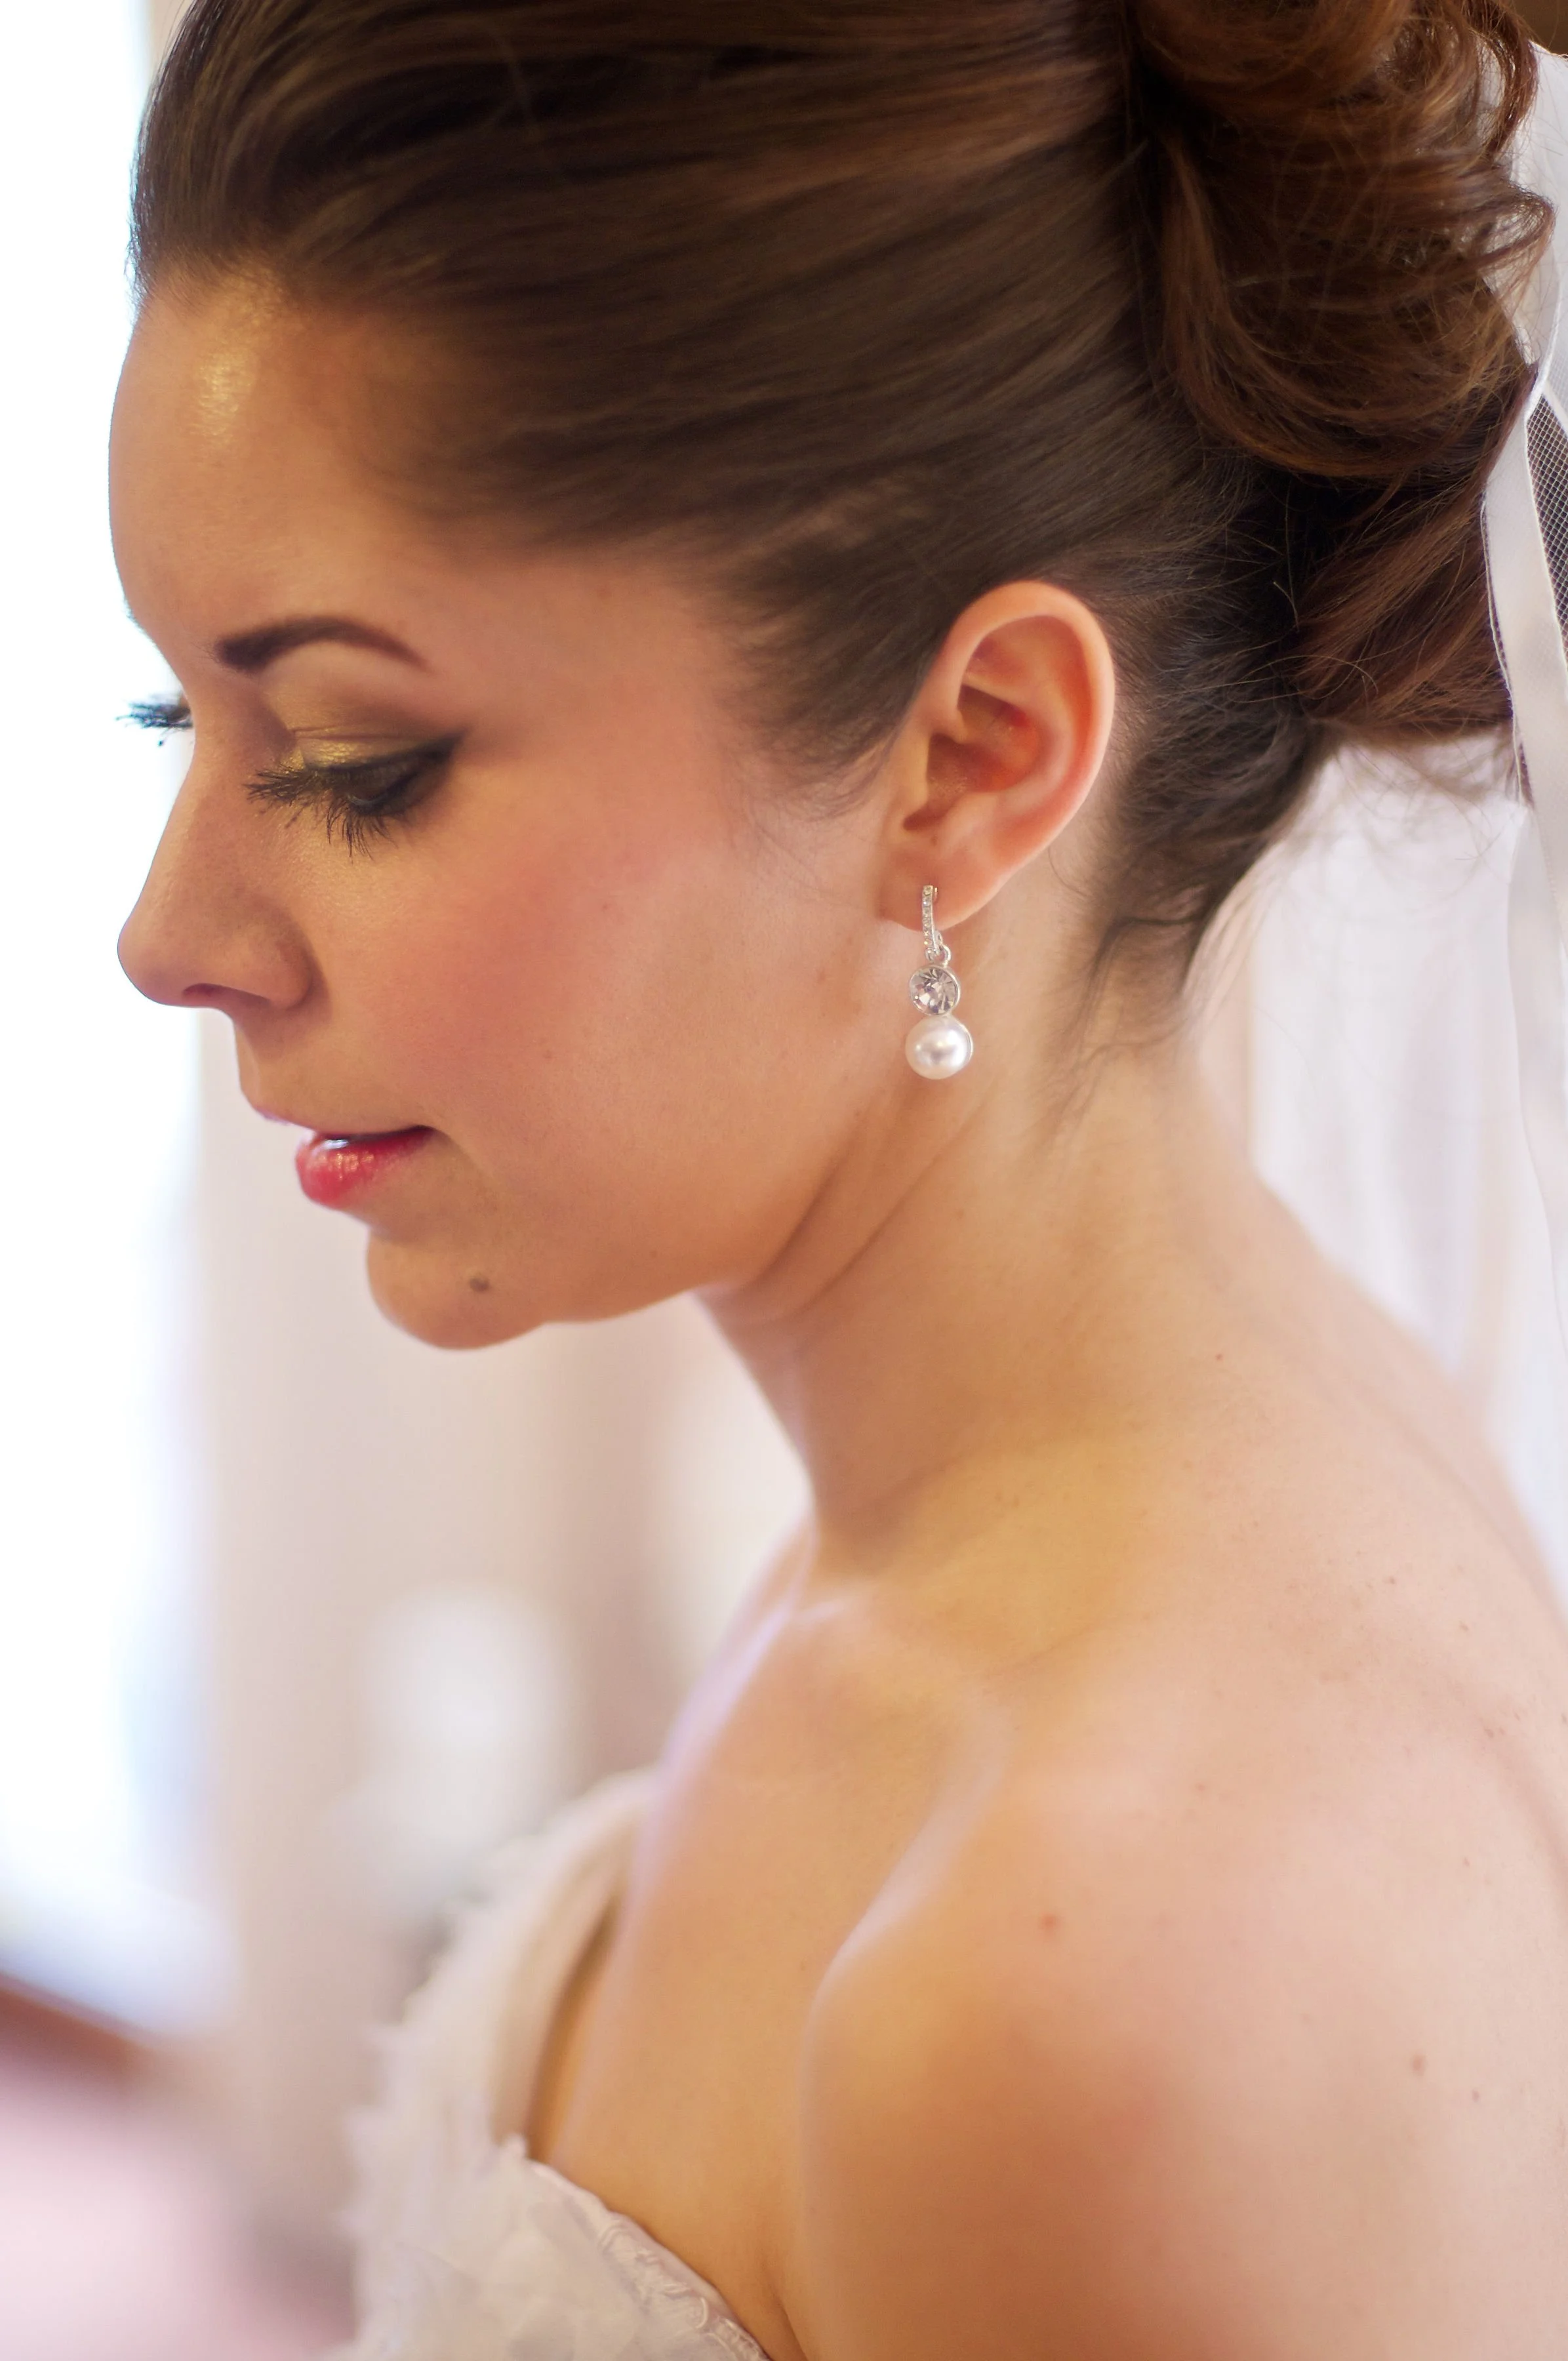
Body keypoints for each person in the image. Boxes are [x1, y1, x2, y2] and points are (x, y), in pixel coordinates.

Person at [112, 1, 1568, 2352]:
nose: (170, 941)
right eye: (182, 714)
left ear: (971, 759)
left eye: (359, 758)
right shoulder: (1045, 1477)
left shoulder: (1085, 2004)